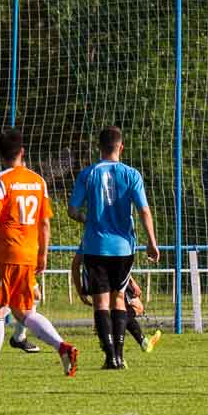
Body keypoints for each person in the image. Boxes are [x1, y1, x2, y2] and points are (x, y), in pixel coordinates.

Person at [0, 129, 78, 378]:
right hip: (29, 254)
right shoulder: (38, 181)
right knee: (23, 311)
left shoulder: (0, 180)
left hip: (4, 254)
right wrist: (43, 254)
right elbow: (45, 223)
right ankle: (62, 346)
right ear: (22, 152)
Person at [68, 126, 160, 369]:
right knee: (119, 299)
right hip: (123, 248)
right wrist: (151, 241)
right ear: (121, 147)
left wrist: (88, 219)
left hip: (96, 246)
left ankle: (110, 357)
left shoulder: (87, 174)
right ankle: (119, 356)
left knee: (101, 304)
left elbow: (72, 210)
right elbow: (144, 210)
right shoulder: (132, 174)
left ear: (99, 147)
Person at [71, 251, 162, 353]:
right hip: (109, 277)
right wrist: (132, 282)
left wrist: (80, 291)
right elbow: (117, 260)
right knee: (127, 308)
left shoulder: (88, 243)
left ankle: (107, 334)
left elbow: (75, 264)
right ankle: (113, 337)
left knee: (131, 308)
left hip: (98, 278)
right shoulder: (103, 243)